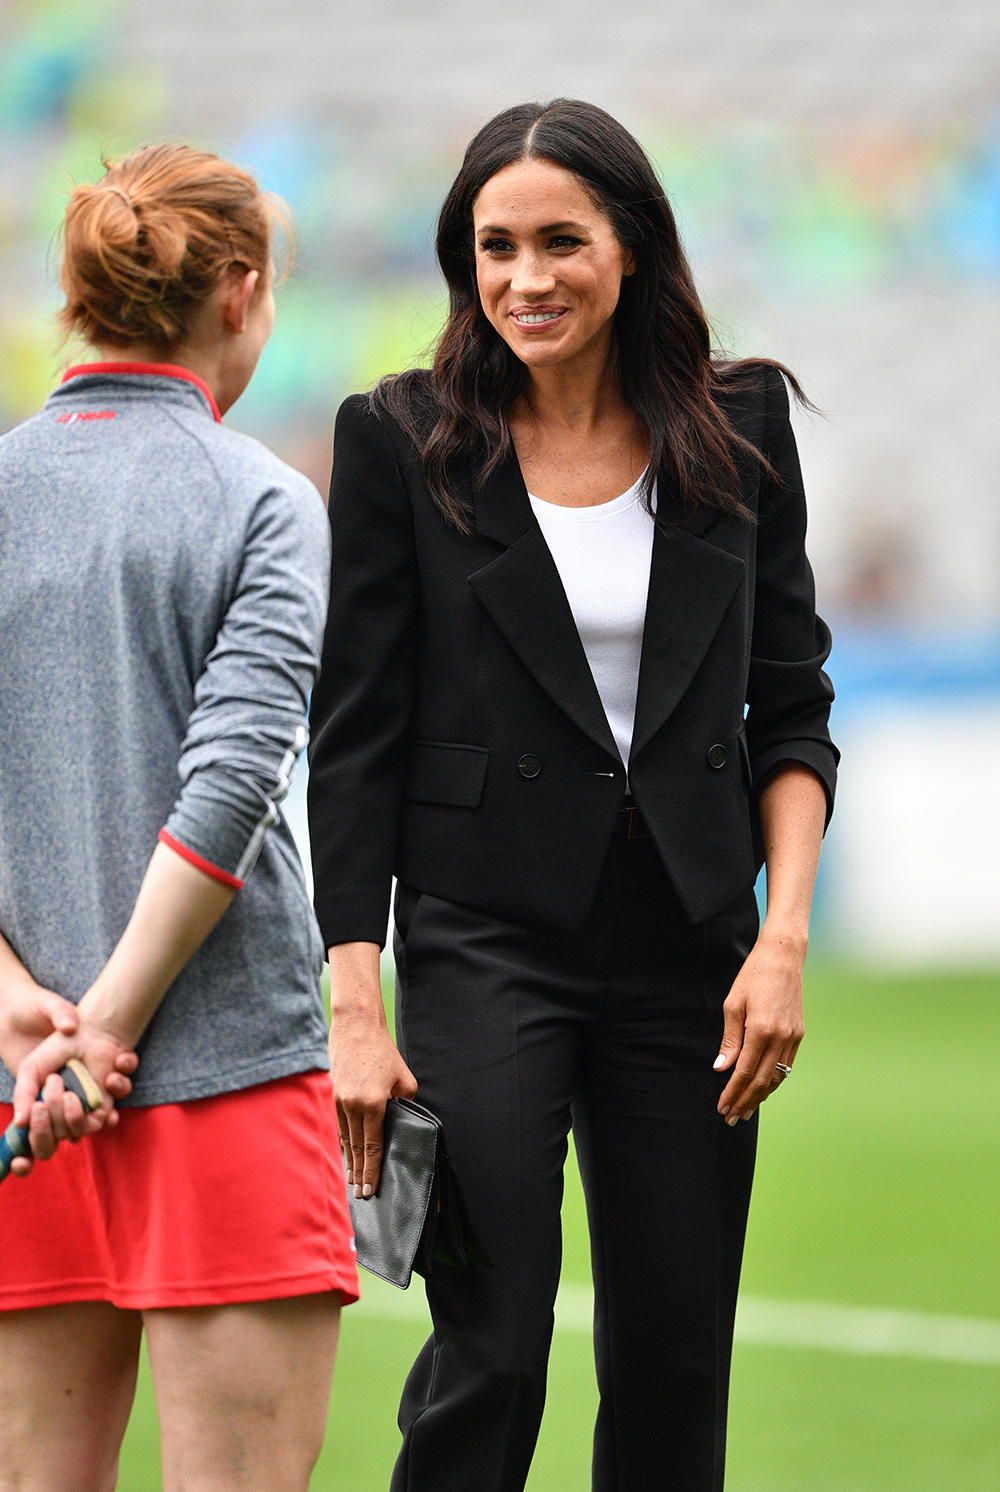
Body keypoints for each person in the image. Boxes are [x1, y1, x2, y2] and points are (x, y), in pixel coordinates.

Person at [308, 99, 837, 1491]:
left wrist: (781, 944)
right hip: (486, 944)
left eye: (560, 241)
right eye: (494, 247)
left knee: (673, 1364)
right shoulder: (402, 442)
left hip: (696, 953)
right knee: (492, 1349)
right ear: (461, 264)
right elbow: (354, 741)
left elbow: (791, 711)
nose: (525, 277)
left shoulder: (743, 427)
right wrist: (354, 1012)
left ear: (632, 247)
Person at [0, 143, 357, 1492]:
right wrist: (114, 1023)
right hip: (217, 1075)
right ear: (244, 294)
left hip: (24, 1086)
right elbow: (233, 782)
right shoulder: (260, 497)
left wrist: (22, 1015)